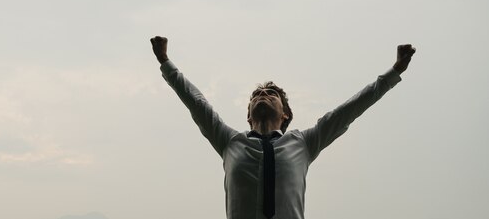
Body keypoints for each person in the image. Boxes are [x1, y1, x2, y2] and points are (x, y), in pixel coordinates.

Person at [150, 36, 416, 219]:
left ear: (286, 113)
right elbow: (197, 103)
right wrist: (165, 61)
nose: (262, 95)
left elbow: (350, 110)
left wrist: (394, 72)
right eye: (256, 95)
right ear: (248, 115)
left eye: (271, 93)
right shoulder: (230, 142)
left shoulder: (304, 142)